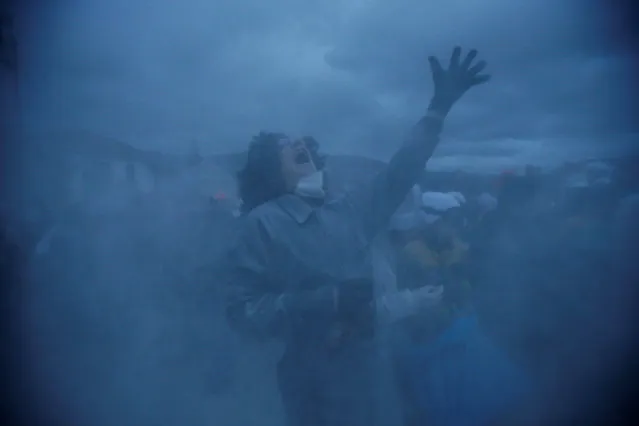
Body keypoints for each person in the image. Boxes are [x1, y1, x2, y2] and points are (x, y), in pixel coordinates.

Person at [224, 47, 490, 426]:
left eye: (299, 141)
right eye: (284, 145)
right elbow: (242, 313)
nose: (298, 143)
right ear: (268, 168)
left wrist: (438, 109)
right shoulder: (262, 223)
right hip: (314, 384)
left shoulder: (346, 209)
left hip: (372, 371)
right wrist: (324, 300)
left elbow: (401, 171)